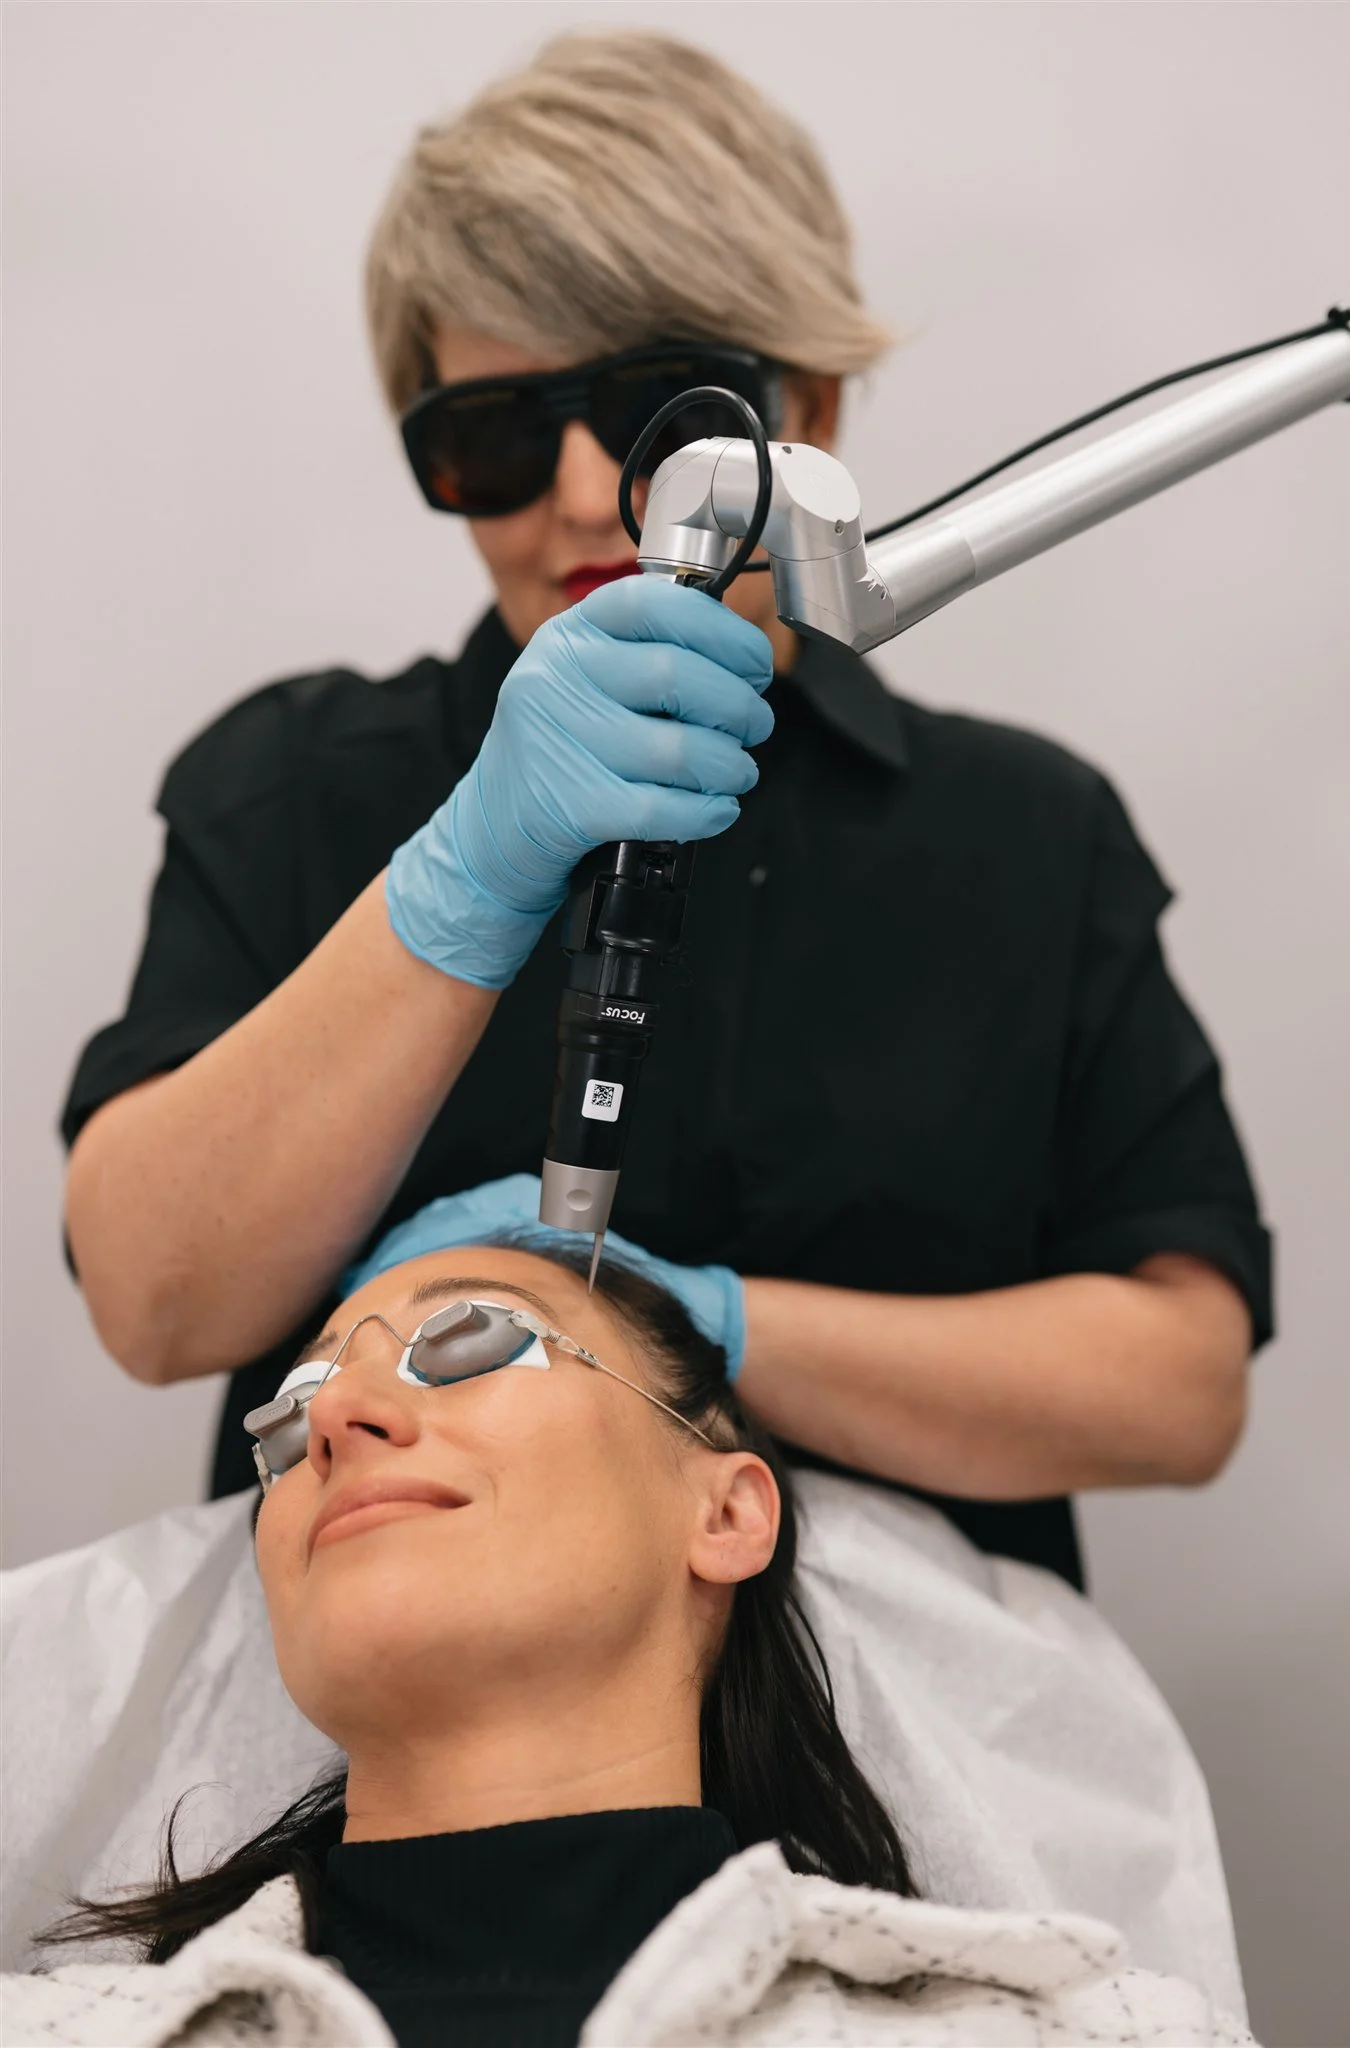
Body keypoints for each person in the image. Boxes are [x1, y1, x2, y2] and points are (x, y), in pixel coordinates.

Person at [61, 30, 1271, 1589]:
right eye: (492, 436)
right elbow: (156, 1305)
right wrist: (455, 882)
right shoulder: (293, 789)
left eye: (654, 414)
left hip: (895, 1759)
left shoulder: (1027, 836)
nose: (578, 495)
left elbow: (1180, 1389)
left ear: (809, 408)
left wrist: (698, 1320)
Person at [9, 1229, 1251, 2047]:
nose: (338, 1413)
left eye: (476, 1338)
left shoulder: (1095, 2031)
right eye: (283, 1420)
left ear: (724, 1509)